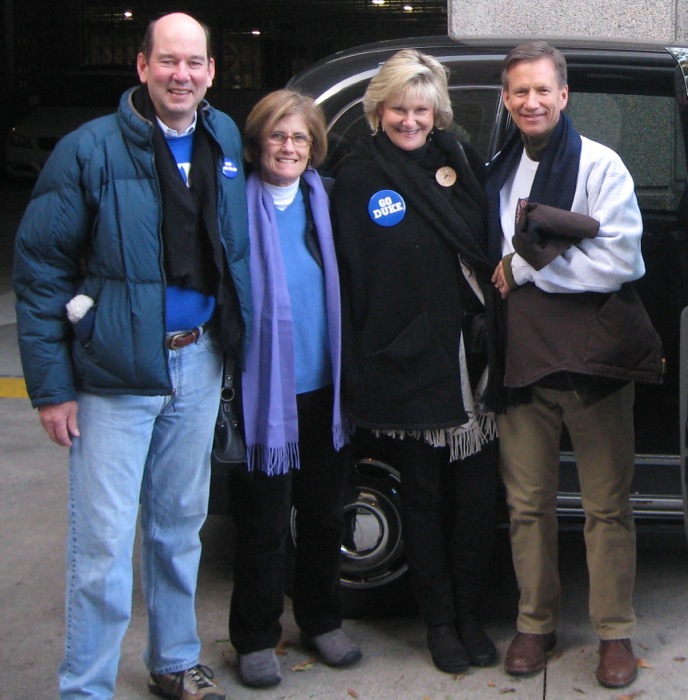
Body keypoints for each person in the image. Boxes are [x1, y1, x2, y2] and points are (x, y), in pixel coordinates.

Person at [13, 13, 251, 700]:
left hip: (198, 362)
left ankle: (174, 660)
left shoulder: (222, 136)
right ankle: (86, 687)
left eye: (195, 63)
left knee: (180, 529)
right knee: (103, 548)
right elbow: (40, 273)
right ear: (142, 67)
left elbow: (228, 247)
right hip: (114, 374)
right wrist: (52, 387)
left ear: (211, 71)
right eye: (168, 62)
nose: (182, 75)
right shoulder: (88, 152)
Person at [486, 41, 664, 689]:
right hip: (522, 363)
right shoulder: (499, 170)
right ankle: (535, 623)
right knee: (527, 504)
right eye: (519, 92)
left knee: (606, 507)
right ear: (506, 101)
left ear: (564, 95)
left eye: (542, 90)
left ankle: (615, 633)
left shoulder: (600, 165)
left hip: (596, 365)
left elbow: (622, 263)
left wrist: (526, 268)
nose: (531, 102)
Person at [331, 49, 503, 675]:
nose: (410, 120)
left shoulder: (458, 159)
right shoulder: (357, 178)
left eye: (421, 109)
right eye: (399, 108)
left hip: (475, 362)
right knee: (425, 501)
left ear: (437, 114)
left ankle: (470, 615)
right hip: (410, 365)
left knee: (479, 503)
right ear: (378, 111)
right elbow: (350, 281)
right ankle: (439, 624)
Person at [227, 89, 361, 689]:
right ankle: (255, 637)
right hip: (263, 397)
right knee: (262, 525)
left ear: (315, 147)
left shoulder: (326, 202)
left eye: (300, 137)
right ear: (258, 143)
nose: (288, 147)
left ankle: (320, 620)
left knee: (325, 517)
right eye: (278, 136)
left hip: (326, 390)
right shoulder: (233, 205)